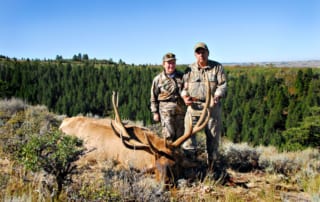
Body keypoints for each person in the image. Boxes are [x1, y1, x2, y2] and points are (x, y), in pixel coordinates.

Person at [181, 42, 227, 170]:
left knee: (212, 138)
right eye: (198, 52)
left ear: (208, 53)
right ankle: (190, 166)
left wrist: (216, 96)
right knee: (189, 137)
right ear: (195, 54)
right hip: (194, 107)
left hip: (212, 107)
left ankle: (211, 168)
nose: (201, 54)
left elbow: (222, 85)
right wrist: (185, 97)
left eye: (203, 52)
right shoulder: (189, 69)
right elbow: (183, 88)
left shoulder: (217, 67)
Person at [150, 53, 186, 142]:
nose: (171, 65)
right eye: (169, 63)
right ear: (163, 64)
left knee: (181, 137)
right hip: (165, 112)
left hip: (180, 111)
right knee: (168, 136)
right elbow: (153, 97)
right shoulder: (158, 79)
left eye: (173, 63)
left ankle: (179, 155)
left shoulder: (182, 77)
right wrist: (155, 112)